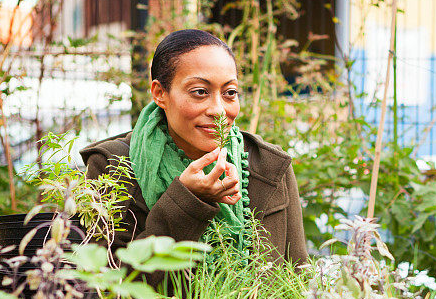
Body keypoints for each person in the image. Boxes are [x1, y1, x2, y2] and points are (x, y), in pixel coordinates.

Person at [80, 29, 308, 271]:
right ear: (160, 93)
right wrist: (187, 201)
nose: (218, 110)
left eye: (230, 93)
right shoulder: (113, 167)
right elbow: (107, 288)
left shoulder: (270, 166)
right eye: (200, 92)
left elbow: (298, 279)